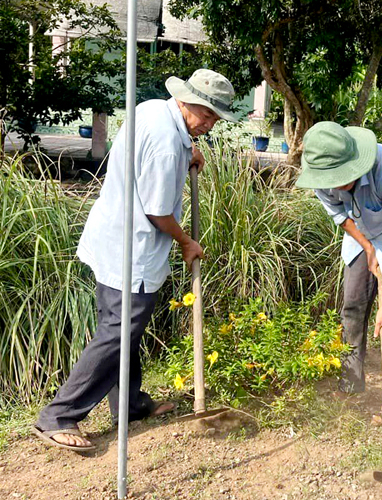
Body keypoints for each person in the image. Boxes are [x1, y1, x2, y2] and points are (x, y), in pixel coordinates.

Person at [32, 69, 237, 452]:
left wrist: (187, 149)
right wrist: (186, 242)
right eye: (207, 115)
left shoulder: (155, 112)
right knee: (119, 331)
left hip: (113, 235)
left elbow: (153, 155)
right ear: (187, 102)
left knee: (125, 327)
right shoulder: (164, 141)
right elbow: (159, 212)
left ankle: (128, 403)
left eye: (214, 119)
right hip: (132, 248)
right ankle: (59, 415)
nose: (210, 125)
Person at [295, 121, 382, 438]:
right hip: (363, 231)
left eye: (340, 178)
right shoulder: (320, 169)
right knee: (353, 305)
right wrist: (367, 245)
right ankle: (351, 383)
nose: (333, 184)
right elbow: (338, 213)